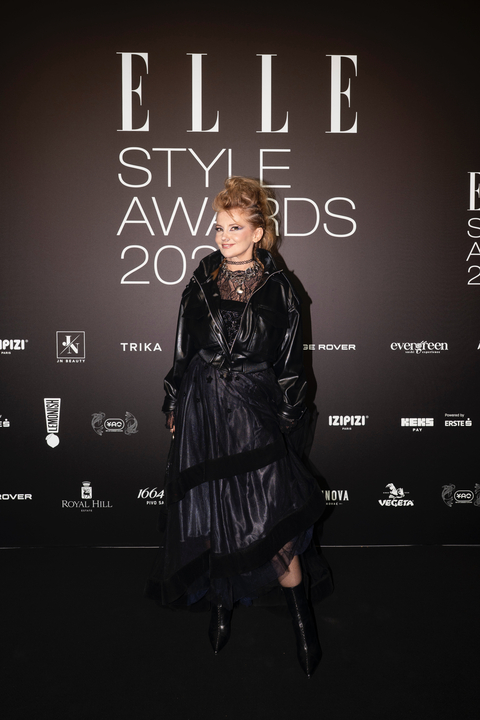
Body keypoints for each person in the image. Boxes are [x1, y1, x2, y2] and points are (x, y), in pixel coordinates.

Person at [146, 176, 332, 678]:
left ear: (258, 232)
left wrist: (286, 420)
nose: (223, 236)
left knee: (273, 523)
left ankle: (303, 622)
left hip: (254, 413)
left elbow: (291, 365)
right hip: (203, 409)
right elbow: (182, 351)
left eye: (234, 227)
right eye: (218, 227)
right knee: (212, 516)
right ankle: (221, 606)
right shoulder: (200, 282)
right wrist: (174, 403)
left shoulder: (282, 290)